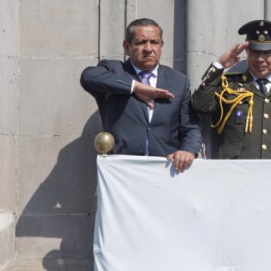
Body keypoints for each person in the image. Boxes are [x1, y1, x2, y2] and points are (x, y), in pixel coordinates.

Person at [80, 18, 201, 172]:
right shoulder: (114, 70)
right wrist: (135, 87)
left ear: (161, 45)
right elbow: (88, 77)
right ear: (127, 46)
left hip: (166, 169)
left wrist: (188, 151)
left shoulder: (178, 81)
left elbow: (190, 127)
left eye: (154, 42)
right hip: (121, 170)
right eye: (141, 42)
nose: (148, 49)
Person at [190, 20, 271, 159]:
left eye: (267, 53)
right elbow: (200, 105)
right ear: (247, 52)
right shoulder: (229, 85)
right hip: (236, 170)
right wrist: (219, 66)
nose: (260, 59)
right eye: (255, 52)